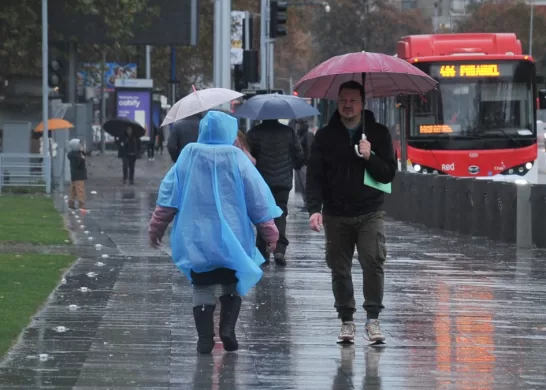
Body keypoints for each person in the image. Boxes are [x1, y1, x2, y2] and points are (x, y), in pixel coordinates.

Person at [148, 111, 281, 354]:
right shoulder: (237, 158)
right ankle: (227, 329)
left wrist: (156, 228)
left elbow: (168, 196)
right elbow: (257, 199)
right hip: (233, 236)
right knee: (231, 283)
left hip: (197, 236)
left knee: (202, 286)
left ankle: (205, 337)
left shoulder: (189, 155)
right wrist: (270, 232)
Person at [306, 80, 396, 344]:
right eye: (343, 100)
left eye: (353, 100)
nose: (348, 105)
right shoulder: (324, 136)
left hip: (370, 211)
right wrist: (315, 209)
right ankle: (346, 320)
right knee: (339, 269)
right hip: (336, 214)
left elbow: (389, 173)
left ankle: (373, 319)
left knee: (373, 261)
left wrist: (371, 157)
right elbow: (314, 176)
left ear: (362, 104)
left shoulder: (378, 134)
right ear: (337, 102)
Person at [246, 119, 305, 266]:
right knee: (280, 214)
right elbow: (299, 156)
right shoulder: (289, 132)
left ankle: (263, 251)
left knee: (262, 214)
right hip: (283, 183)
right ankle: (279, 249)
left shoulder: (254, 132)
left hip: (261, 182)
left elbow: (248, 157)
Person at [294, 119, 314, 211]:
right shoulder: (299, 134)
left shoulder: (308, 134)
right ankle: (306, 203)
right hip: (299, 164)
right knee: (302, 186)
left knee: (306, 185)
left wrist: (306, 163)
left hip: (304, 164)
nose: (297, 126)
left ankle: (309, 204)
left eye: (298, 124)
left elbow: (309, 150)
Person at [67, 138, 87, 210]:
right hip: (78, 175)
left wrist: (82, 153)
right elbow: (78, 164)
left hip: (74, 175)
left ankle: (71, 202)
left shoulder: (74, 154)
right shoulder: (75, 155)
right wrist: (82, 159)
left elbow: (84, 154)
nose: (80, 146)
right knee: (80, 189)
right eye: (79, 144)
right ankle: (82, 204)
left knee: (73, 189)